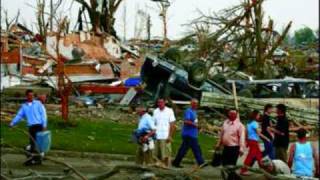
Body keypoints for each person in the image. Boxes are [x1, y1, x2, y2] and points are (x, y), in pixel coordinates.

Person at [9, 89, 47, 165]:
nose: (31, 97)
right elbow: (19, 115)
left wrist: (44, 125)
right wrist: (12, 123)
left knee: (36, 143)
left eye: (32, 95)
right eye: (30, 95)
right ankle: (35, 159)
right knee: (32, 143)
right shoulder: (24, 106)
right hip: (31, 126)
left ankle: (35, 159)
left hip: (39, 125)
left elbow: (43, 114)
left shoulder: (38, 103)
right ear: (26, 96)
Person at [172, 99, 206, 168]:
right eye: (194, 103)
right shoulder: (188, 111)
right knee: (196, 148)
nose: (196, 105)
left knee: (185, 149)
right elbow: (186, 121)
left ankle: (176, 162)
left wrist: (198, 127)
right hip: (188, 134)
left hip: (192, 134)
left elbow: (194, 122)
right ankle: (201, 162)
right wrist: (195, 125)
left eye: (196, 103)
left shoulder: (194, 112)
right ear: (191, 104)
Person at [240, 110, 271, 175]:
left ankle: (263, 170)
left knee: (259, 156)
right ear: (255, 115)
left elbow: (246, 133)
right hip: (254, 142)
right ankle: (243, 170)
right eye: (258, 115)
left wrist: (247, 141)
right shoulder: (255, 123)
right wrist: (267, 138)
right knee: (250, 156)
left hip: (251, 141)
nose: (259, 116)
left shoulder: (248, 123)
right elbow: (259, 134)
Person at [153, 98, 176, 167]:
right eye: (159, 102)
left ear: (164, 103)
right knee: (156, 152)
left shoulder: (169, 111)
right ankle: (158, 165)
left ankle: (166, 166)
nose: (160, 104)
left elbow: (172, 124)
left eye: (161, 102)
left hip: (165, 135)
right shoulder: (155, 111)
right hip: (157, 135)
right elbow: (153, 124)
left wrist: (170, 136)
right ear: (157, 103)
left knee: (166, 153)